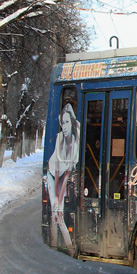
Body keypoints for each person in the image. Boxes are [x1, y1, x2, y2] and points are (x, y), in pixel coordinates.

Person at [44, 103, 78, 249]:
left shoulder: (76, 145)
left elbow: (67, 175)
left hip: (63, 176)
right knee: (55, 213)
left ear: (72, 123)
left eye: (66, 122)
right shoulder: (59, 138)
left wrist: (60, 199)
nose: (64, 126)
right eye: (62, 123)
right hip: (52, 175)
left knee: (60, 215)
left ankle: (68, 247)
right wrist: (56, 200)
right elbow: (57, 172)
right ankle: (54, 243)